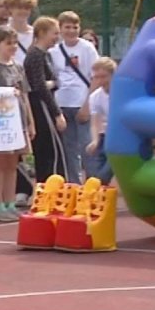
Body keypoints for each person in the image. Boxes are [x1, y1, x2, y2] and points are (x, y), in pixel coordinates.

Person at [0, 26, 36, 222]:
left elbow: (25, 96)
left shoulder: (18, 67)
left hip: (16, 121)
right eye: (8, 43)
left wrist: (30, 122)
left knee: (12, 163)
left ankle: (10, 203)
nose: (12, 47)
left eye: (14, 43)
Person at [49, 11, 99, 182]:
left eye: (75, 27)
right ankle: (74, 185)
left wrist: (87, 104)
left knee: (88, 147)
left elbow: (96, 77)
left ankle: (94, 184)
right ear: (60, 29)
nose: (71, 31)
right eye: (67, 27)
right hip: (62, 104)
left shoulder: (87, 48)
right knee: (69, 149)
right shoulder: (54, 50)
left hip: (81, 103)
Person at [22, 16, 68, 182]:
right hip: (41, 106)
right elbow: (39, 86)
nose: (57, 37)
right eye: (54, 33)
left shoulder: (45, 55)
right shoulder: (35, 55)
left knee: (51, 149)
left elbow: (53, 82)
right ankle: (50, 187)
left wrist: (52, 83)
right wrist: (57, 114)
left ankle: (54, 186)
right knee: (51, 149)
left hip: (46, 103)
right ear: (41, 33)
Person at [83, 56, 117, 184]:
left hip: (120, 137)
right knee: (95, 174)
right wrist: (95, 140)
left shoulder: (121, 93)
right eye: (97, 77)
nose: (100, 81)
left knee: (104, 174)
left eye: (104, 77)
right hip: (105, 136)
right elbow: (95, 122)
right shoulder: (95, 97)